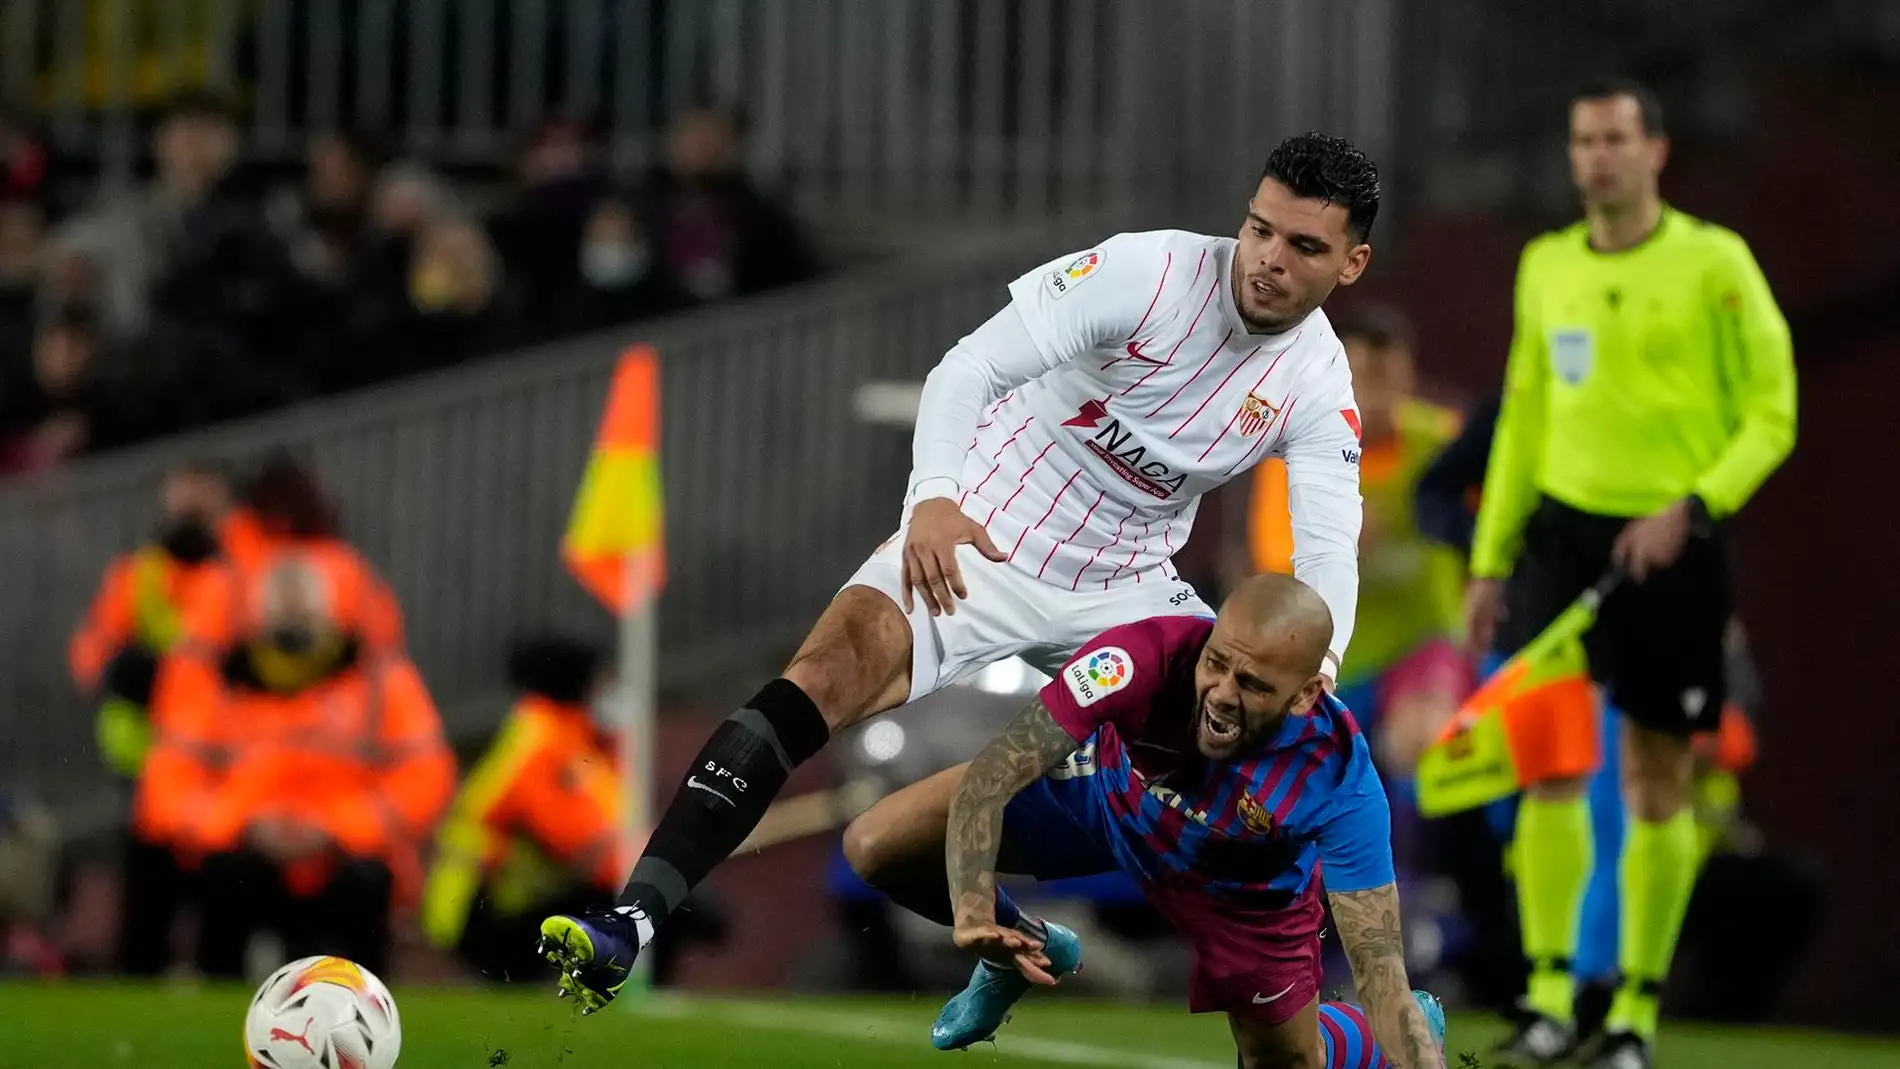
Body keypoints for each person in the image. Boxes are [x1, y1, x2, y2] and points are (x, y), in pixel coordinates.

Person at [536, 131, 1378, 1009]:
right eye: (1260, 230)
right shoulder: (1151, 273)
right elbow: (967, 367)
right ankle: (629, 921)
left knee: (1260, 750)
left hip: (1127, 583)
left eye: (1304, 247)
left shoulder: (1316, 381)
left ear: (1351, 263)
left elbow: (1326, 548)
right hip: (985, 529)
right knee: (821, 676)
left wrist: (1319, 667)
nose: (1269, 260)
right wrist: (935, 496)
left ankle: (1327, 1000)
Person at [1464, 80, 1796, 1069]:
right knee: (1548, 770)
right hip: (1560, 541)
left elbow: (1772, 411)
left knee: (1656, 782)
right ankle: (1548, 1002)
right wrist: (1491, 561)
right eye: (1581, 140)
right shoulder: (1545, 264)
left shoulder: (1715, 262)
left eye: (1614, 138)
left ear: (1655, 151)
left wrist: (1690, 508)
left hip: (1675, 544)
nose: (1595, 156)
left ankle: (1632, 1018)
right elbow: (1524, 414)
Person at [844, 575, 1444, 1069]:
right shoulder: (1138, 657)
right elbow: (992, 777)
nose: (1220, 693)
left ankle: (1368, 1037)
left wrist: (1412, 1043)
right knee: (875, 844)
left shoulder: (1339, 779)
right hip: (1102, 798)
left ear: (1308, 694)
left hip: (1237, 888)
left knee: (1291, 1062)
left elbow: (1379, 967)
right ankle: (1029, 950)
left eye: (1253, 684)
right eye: (1218, 664)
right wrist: (976, 909)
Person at [135, 555, 454, 976]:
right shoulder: (216, 684)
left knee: (368, 885)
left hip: (347, 861)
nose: (291, 625)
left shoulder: (382, 682)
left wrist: (337, 827)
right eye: (280, 613)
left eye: (303, 613)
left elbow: (429, 777)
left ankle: (366, 1018)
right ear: (253, 617)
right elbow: (164, 787)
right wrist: (244, 825)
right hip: (244, 858)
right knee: (221, 881)